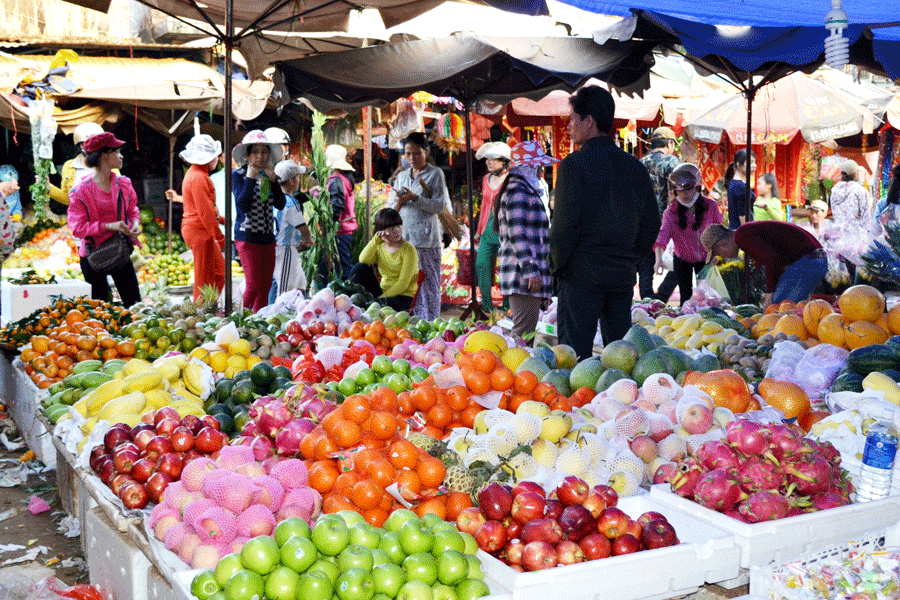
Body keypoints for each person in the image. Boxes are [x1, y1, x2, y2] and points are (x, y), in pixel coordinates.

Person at [551, 86, 661, 360]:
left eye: (573, 118)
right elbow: (651, 223)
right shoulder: (634, 167)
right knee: (620, 360)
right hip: (620, 276)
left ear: (589, 121)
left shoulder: (574, 165)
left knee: (574, 361)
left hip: (581, 275)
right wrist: (631, 260)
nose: (568, 125)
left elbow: (564, 227)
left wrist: (558, 267)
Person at [67, 132, 142, 308]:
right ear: (104, 156)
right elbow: (78, 228)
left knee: (135, 305)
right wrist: (110, 226)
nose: (121, 156)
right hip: (93, 255)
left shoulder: (124, 183)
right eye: (117, 152)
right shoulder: (80, 191)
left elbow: (133, 210)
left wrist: (136, 224)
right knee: (100, 311)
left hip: (120, 252)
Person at [494, 140, 554, 338]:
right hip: (522, 276)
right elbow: (517, 233)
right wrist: (530, 270)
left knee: (525, 334)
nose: (541, 171)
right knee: (522, 336)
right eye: (539, 166)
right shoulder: (518, 191)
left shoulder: (522, 188)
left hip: (524, 276)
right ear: (530, 166)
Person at [389, 132, 449, 321]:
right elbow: (392, 210)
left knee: (428, 288)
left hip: (426, 241)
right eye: (408, 154)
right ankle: (411, 326)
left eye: (416, 153)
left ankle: (430, 324)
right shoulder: (402, 177)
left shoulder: (435, 174)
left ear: (426, 151)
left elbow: (439, 206)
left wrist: (416, 198)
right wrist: (399, 202)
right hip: (405, 240)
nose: (412, 158)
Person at [701, 221, 826, 306]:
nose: (723, 257)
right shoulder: (744, 233)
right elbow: (776, 260)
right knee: (781, 307)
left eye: (719, 253)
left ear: (722, 245)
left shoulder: (741, 236)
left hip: (808, 262)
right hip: (812, 260)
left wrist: (769, 293)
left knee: (780, 307)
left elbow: (771, 259)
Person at [232, 130, 286, 312]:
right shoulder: (238, 175)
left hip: (267, 237)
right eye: (256, 152)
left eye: (264, 152)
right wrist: (249, 178)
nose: (260, 156)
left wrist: (274, 182)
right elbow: (242, 206)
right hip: (247, 238)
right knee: (253, 285)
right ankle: (239, 319)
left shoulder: (270, 175)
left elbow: (280, 204)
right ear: (248, 154)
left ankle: (259, 322)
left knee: (265, 287)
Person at [653, 163, 722, 305]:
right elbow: (662, 237)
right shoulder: (671, 212)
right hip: (682, 261)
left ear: (698, 187)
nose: (684, 194)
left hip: (705, 260)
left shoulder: (711, 206)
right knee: (686, 299)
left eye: (688, 189)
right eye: (679, 191)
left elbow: (718, 231)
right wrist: (658, 259)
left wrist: (715, 252)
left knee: (706, 299)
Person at [179, 134, 225, 302]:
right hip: (199, 231)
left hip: (198, 229)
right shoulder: (199, 177)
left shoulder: (196, 174)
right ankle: (202, 313)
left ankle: (206, 310)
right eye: (216, 156)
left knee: (215, 273)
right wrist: (220, 238)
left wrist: (221, 220)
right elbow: (205, 212)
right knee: (205, 278)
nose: (218, 160)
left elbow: (203, 210)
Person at [638, 126, 680, 301]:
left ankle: (647, 300)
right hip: (667, 223)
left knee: (645, 265)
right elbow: (678, 192)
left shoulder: (639, 163)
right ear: (669, 143)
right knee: (680, 259)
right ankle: (662, 295)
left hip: (643, 223)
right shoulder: (671, 162)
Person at [351, 208, 419, 311]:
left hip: (403, 297)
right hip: (382, 293)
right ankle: (351, 303)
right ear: (381, 231)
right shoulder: (379, 246)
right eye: (391, 228)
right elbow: (363, 260)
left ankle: (364, 307)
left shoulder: (409, 250)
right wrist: (376, 240)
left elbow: (403, 284)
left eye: (398, 225)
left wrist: (379, 301)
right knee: (360, 268)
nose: (397, 230)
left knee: (371, 306)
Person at [474, 141, 511, 314]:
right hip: (488, 229)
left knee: (507, 269)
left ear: (504, 160)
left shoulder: (512, 178)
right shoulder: (486, 179)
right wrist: (478, 230)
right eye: (487, 159)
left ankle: (507, 307)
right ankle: (487, 306)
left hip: (507, 231)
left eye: (493, 159)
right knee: (482, 264)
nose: (488, 162)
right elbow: (484, 205)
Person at [271, 160, 313, 301]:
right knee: (283, 290)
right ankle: (274, 314)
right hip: (285, 249)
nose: (299, 180)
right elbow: (303, 227)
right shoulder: (290, 202)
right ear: (291, 181)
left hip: (280, 246)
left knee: (300, 284)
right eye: (297, 177)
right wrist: (308, 240)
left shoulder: (275, 198)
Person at [49, 122, 105, 216]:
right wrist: (49, 187)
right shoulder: (69, 166)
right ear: (81, 145)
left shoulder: (108, 163)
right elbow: (68, 199)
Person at [323, 145, 358, 280]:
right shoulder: (343, 179)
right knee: (342, 262)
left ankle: (347, 292)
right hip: (345, 229)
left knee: (342, 265)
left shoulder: (336, 180)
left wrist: (330, 224)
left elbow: (337, 205)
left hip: (340, 230)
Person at [831, 159, 873, 229]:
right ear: (856, 173)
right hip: (856, 235)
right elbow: (866, 218)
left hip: (839, 235)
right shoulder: (861, 191)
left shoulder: (834, 191)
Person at [726, 149, 757, 229]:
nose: (754, 165)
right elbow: (742, 216)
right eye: (750, 162)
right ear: (739, 164)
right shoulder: (741, 186)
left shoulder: (734, 183)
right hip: (742, 232)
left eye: (755, 162)